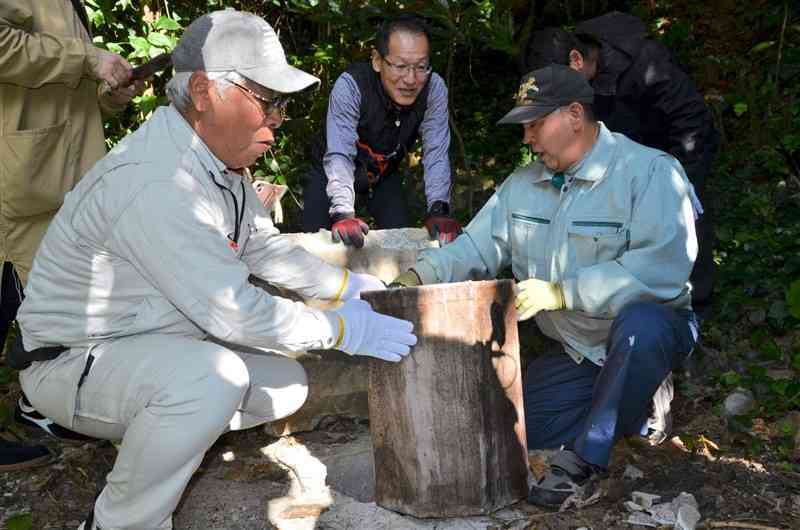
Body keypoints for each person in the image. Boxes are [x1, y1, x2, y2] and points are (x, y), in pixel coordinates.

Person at [12, 10, 416, 529]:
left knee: (284, 384)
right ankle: (122, 520)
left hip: (144, 340)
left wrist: (347, 285)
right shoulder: (158, 182)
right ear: (203, 90)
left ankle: (161, 442)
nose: (276, 120)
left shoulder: (217, 166)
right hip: (72, 360)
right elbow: (237, 314)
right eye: (267, 101)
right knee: (210, 381)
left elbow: (262, 250)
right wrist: (341, 328)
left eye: (281, 106)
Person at [391, 65, 699, 508]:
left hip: (644, 331)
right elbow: (476, 247)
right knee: (517, 430)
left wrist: (562, 292)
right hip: (578, 347)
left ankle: (587, 463)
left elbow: (660, 270)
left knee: (642, 327)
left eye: (534, 124)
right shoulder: (524, 184)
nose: (526, 138)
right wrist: (418, 276)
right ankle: (638, 406)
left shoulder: (649, 172)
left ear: (575, 114)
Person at [1, 0, 144, 461]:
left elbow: (66, 82)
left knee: (59, 299)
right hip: (20, 177)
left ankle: (39, 406)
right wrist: (87, 59)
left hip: (64, 175)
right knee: (9, 295)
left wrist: (110, 94)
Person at [522, 12, 719, 309]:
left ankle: (693, 305)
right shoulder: (586, 78)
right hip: (627, 159)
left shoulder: (644, 60)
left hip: (677, 151)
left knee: (681, 221)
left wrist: (676, 179)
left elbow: (691, 122)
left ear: (576, 60)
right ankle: (627, 300)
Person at [302, 13, 461, 248]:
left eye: (420, 67)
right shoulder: (352, 85)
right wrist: (343, 214)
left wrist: (439, 208)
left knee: (403, 243)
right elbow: (339, 153)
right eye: (400, 66)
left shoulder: (434, 87)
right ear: (377, 60)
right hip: (333, 172)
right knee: (318, 246)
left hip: (383, 174)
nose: (410, 79)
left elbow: (436, 151)